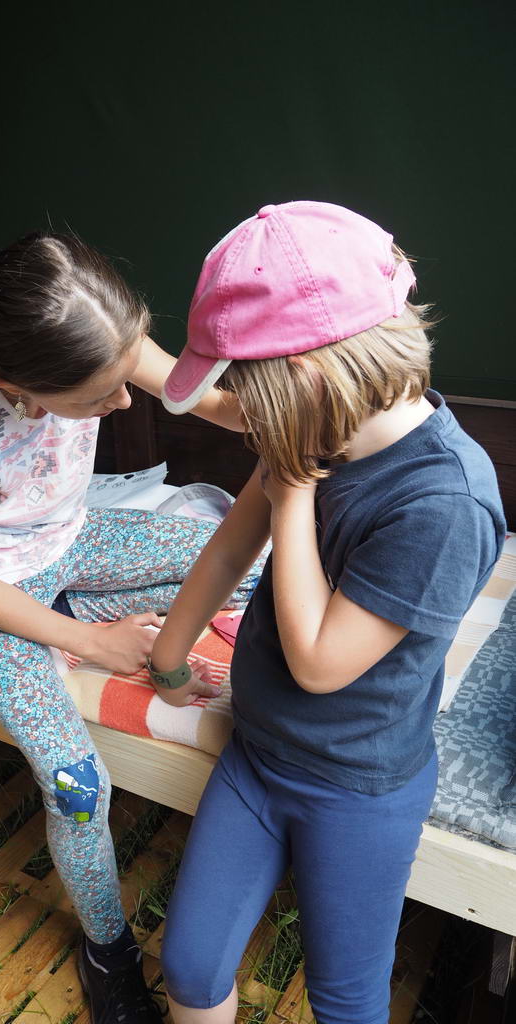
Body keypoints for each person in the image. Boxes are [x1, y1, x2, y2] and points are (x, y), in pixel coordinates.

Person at [147, 202, 506, 1024]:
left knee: (344, 999)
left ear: (306, 381)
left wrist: (294, 498)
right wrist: (168, 655)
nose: (244, 419)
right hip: (256, 754)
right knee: (190, 967)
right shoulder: (314, 432)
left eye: (248, 399)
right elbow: (228, 550)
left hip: (356, 789)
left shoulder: (444, 504)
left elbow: (316, 664)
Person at [0, 231, 262, 1023]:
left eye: (121, 378)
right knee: (75, 783)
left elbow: (213, 403)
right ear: (16, 388)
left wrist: (308, 419)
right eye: (98, 398)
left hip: (69, 539)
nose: (123, 402)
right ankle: (107, 950)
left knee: (245, 555)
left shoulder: (93, 328)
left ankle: (59, 612)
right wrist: (95, 644)